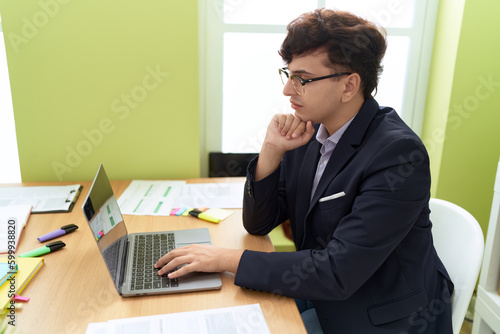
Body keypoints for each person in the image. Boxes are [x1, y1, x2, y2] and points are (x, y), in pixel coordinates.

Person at [155, 8, 454, 333]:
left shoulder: (398, 155)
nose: (288, 90)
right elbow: (259, 224)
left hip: (374, 315)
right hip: (320, 291)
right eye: (288, 74)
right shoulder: (312, 132)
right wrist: (271, 150)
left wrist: (224, 258)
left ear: (349, 85)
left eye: (303, 79)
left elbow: (339, 270)